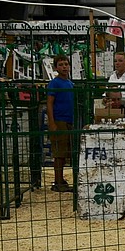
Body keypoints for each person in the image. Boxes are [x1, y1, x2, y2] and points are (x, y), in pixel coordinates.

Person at [46, 54, 75, 192]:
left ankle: (61, 179)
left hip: (69, 120)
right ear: (56, 67)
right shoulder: (54, 83)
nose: (64, 67)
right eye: (61, 64)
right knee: (59, 153)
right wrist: (52, 123)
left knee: (65, 153)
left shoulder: (70, 83)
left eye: (66, 64)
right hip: (59, 120)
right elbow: (50, 103)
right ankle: (57, 182)